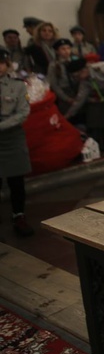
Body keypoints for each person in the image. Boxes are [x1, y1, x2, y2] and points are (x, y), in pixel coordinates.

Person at [0, 48, 33, 236]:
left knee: (16, 180)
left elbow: (23, 112)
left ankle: (18, 215)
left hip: (12, 137)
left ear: (6, 64)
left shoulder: (18, 85)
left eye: (1, 62)